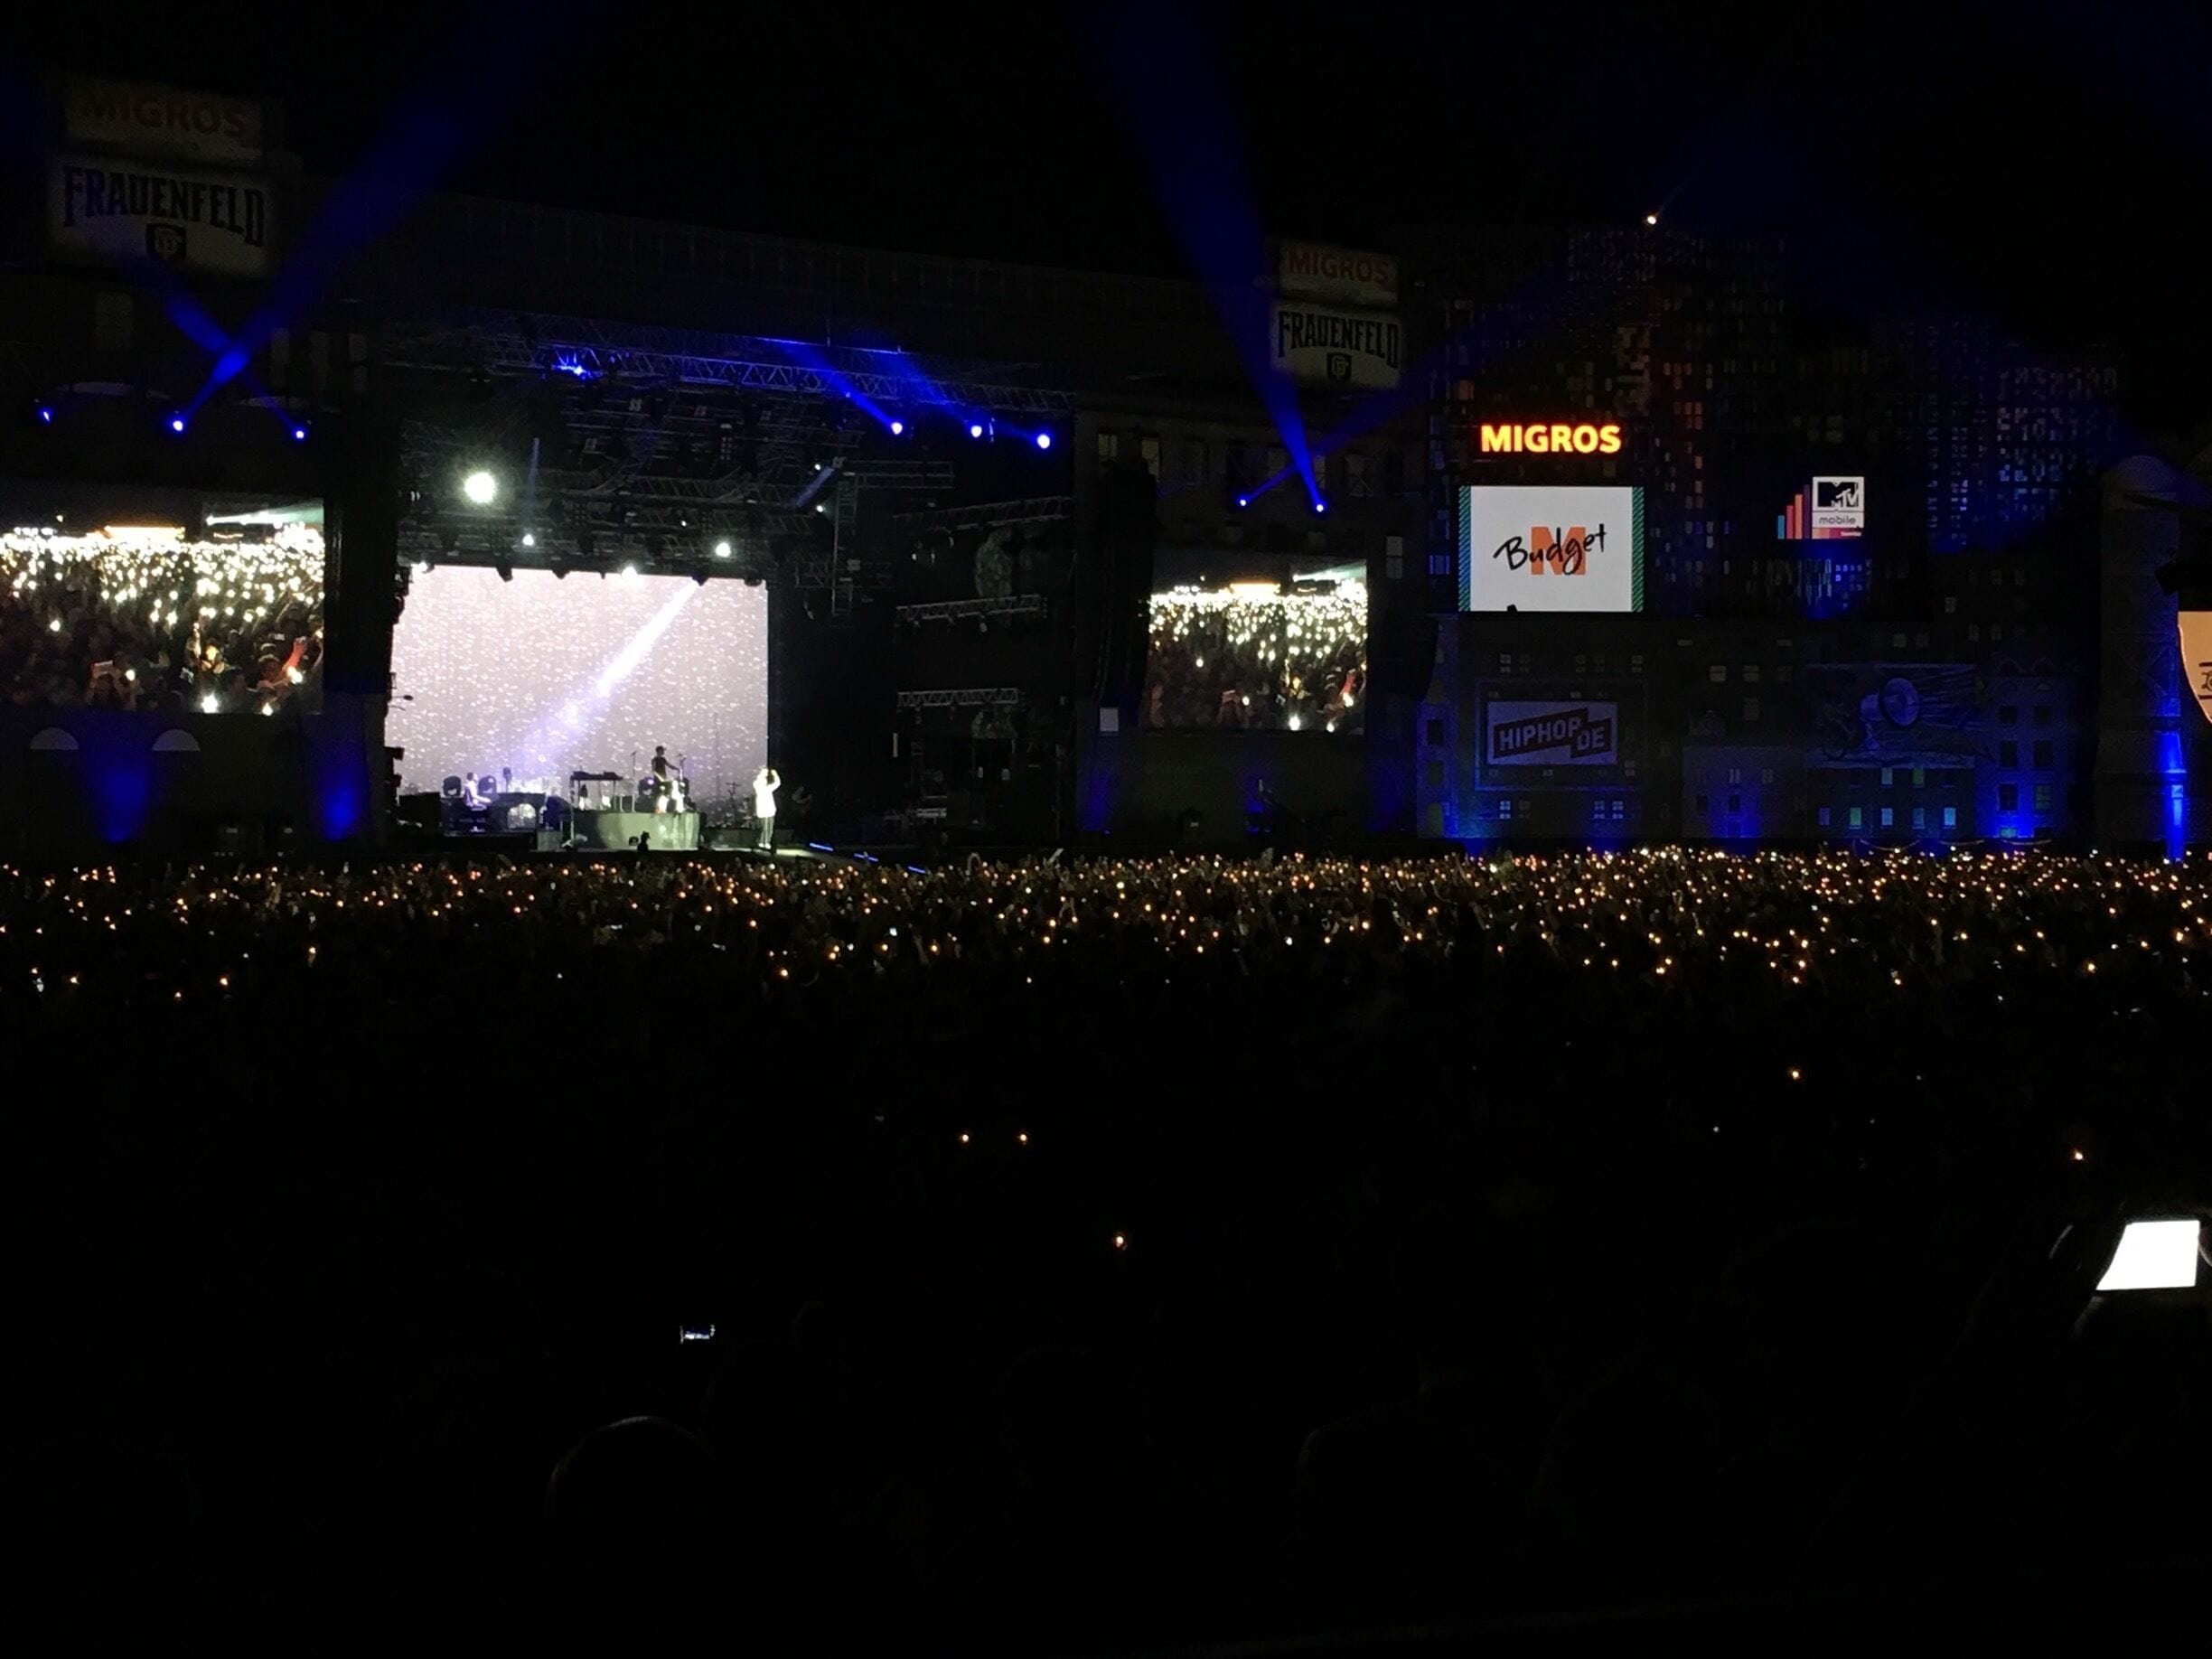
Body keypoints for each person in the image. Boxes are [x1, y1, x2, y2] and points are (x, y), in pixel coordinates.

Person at [753, 765, 782, 851]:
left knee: (770, 828)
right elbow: (757, 782)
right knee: (764, 828)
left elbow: (777, 783)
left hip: (770, 811)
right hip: (763, 811)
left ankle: (767, 842)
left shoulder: (768, 788)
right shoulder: (758, 787)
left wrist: (775, 775)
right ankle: (762, 842)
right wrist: (763, 773)